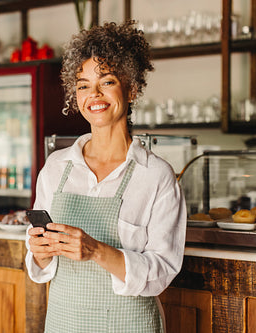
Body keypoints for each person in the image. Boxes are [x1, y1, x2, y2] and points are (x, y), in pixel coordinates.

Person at [25, 20, 186, 333]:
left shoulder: (156, 176)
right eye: (83, 85)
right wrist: (40, 252)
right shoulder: (57, 168)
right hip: (64, 323)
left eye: (107, 81)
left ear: (132, 87)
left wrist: (96, 250)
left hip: (131, 325)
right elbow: (40, 268)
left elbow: (162, 272)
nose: (93, 94)